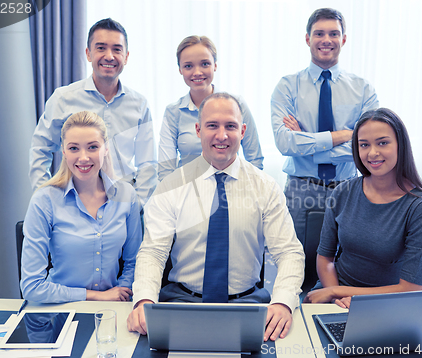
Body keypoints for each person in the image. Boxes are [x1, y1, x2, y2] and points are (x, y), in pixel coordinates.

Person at [127, 93, 304, 342]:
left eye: (230, 126)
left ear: (242, 131)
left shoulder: (265, 187)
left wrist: (283, 303)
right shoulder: (172, 186)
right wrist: (144, 300)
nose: (222, 135)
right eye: (212, 126)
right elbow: (153, 252)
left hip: (249, 307)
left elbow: (288, 253)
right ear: (198, 130)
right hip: (182, 303)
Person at [304, 108, 422, 308]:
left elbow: (410, 287)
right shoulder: (343, 192)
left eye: (382, 143)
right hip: (334, 289)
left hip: (385, 301)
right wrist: (335, 297)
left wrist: (338, 292)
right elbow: (325, 257)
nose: (372, 153)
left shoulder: (419, 207)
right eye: (364, 145)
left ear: (400, 145)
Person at [270, 8, 379, 245]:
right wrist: (344, 135)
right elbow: (285, 143)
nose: (326, 40)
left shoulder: (363, 89)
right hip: (301, 188)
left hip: (348, 189)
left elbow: (369, 149)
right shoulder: (287, 86)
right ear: (308, 39)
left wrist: (307, 142)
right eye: (319, 33)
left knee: (346, 262)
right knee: (296, 259)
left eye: (334, 33)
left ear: (344, 39)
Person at [29, 18, 156, 207]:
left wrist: (138, 205)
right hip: (73, 203)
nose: (109, 56)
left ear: (126, 56)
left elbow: (148, 163)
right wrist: (45, 199)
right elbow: (40, 149)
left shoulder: (139, 104)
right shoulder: (63, 98)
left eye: (117, 49)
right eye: (101, 48)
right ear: (88, 54)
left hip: (122, 204)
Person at [21, 111, 142, 303]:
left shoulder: (127, 196)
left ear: (106, 149)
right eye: (74, 148)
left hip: (111, 309)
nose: (83, 157)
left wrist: (122, 291)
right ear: (64, 152)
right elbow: (31, 287)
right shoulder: (44, 200)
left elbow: (134, 261)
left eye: (92, 147)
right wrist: (95, 296)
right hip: (61, 308)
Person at [158, 35, 263, 181]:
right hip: (188, 194)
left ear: (215, 65)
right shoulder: (173, 112)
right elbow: (166, 171)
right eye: (188, 66)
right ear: (180, 69)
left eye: (205, 64)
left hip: (233, 191)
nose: (197, 72)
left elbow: (254, 159)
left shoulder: (237, 105)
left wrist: (250, 193)